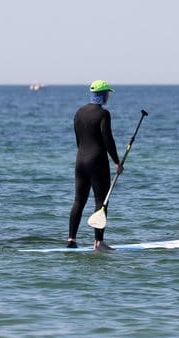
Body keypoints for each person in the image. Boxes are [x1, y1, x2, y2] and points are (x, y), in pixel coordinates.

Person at [67, 80, 123, 250]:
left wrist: (84, 154)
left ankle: (71, 240)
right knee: (101, 201)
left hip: (80, 160)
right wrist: (116, 161)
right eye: (107, 93)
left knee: (79, 201)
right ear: (102, 94)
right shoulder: (103, 114)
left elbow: (78, 140)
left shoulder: (79, 112)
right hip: (97, 161)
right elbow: (108, 140)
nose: (108, 96)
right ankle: (98, 242)